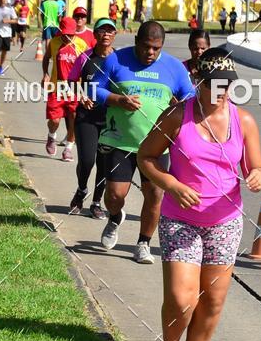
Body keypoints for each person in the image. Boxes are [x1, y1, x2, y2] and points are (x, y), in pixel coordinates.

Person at [138, 48, 261, 341]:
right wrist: (172, 185)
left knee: (212, 300)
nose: (222, 92)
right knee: (183, 297)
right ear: (198, 82)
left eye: (227, 85)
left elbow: (256, 167)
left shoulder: (245, 121)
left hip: (225, 222)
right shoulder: (177, 116)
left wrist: (255, 175)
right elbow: (146, 158)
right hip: (181, 219)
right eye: (214, 85)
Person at [92, 20, 195, 264]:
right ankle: (115, 217)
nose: (150, 52)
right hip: (120, 142)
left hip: (157, 146)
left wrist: (178, 109)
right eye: (146, 46)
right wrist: (117, 99)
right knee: (114, 195)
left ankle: (143, 243)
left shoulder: (173, 67)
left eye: (156, 48)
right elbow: (93, 89)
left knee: (154, 195)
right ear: (137, 41)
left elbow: (190, 97)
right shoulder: (116, 60)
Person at [67, 18, 117, 218]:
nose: (106, 34)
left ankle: (96, 202)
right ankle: (81, 190)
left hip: (110, 120)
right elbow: (71, 82)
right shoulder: (85, 57)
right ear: (94, 34)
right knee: (87, 161)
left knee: (104, 163)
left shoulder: (119, 60)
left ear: (115, 35)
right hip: (86, 116)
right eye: (102, 31)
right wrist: (81, 96)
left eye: (110, 31)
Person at [42, 17, 87, 161]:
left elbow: (86, 67)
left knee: (73, 119)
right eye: (65, 33)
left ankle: (68, 148)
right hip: (56, 87)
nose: (67, 37)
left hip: (75, 89)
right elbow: (46, 58)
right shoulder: (54, 43)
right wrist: (46, 74)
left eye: (70, 34)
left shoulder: (81, 45)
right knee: (54, 120)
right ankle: (51, 136)